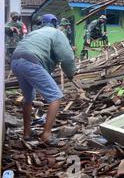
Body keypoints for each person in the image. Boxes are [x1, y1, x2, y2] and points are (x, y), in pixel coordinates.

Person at [11, 14, 76, 145]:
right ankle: (46, 135)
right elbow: (67, 57)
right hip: (31, 62)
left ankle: (27, 133)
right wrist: (70, 74)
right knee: (55, 97)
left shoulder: (34, 33)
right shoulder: (56, 33)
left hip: (16, 61)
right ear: (55, 22)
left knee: (28, 99)